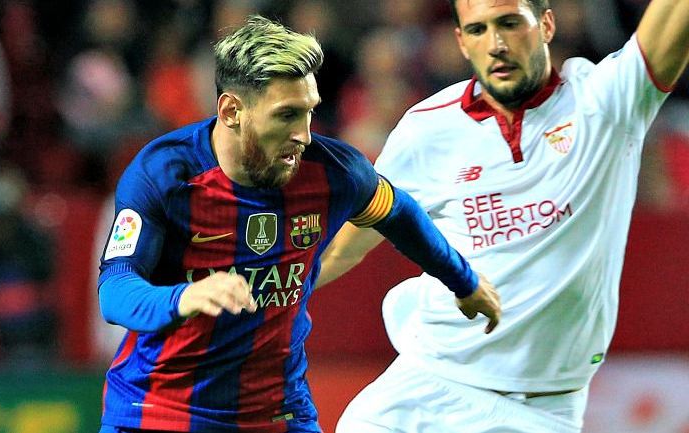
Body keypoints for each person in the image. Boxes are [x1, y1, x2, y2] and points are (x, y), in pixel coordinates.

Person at [96, 15, 500, 433]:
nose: (304, 135)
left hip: (278, 413)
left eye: (309, 112)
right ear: (232, 110)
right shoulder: (164, 173)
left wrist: (463, 281)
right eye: (287, 115)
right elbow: (115, 290)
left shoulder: (334, 172)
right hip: (159, 411)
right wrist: (184, 298)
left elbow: (398, 212)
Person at [319, 1, 689, 432]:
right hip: (426, 388)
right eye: (477, 30)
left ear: (546, 25)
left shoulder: (606, 102)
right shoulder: (428, 129)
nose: (495, 44)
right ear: (461, 41)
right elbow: (344, 248)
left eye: (510, 23)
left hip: (541, 410)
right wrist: (258, 300)